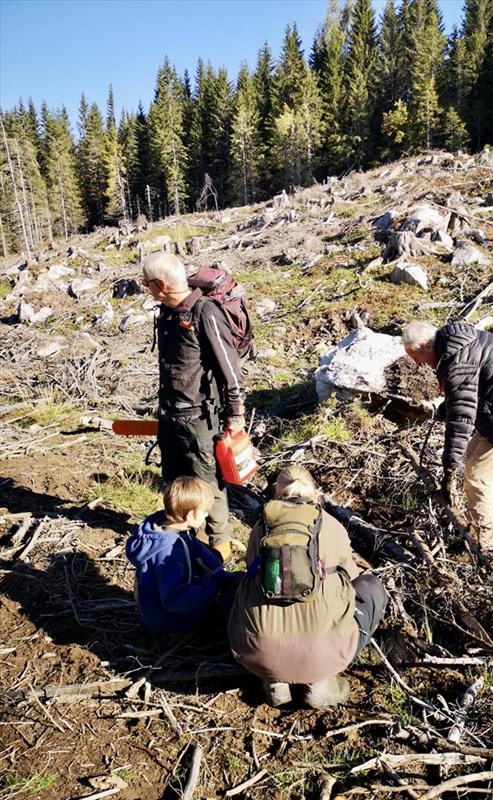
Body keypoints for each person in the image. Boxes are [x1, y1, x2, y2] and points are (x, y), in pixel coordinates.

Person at [228, 466, 388, 708]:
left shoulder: (261, 528)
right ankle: (322, 682)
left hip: (258, 651)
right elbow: (353, 578)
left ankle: (273, 682)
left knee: (240, 587)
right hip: (326, 654)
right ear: (314, 495)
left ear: (277, 493)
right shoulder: (332, 525)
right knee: (372, 586)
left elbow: (251, 570)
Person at [401, 321, 493, 553]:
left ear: (426, 346)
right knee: (477, 462)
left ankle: (481, 547)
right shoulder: (456, 343)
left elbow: (461, 419)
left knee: (477, 477)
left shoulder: (454, 362)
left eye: (416, 357)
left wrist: (449, 468)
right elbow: (469, 387)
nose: (418, 364)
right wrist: (449, 403)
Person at [142, 251, 247, 562]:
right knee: (174, 477)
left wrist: (236, 416)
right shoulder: (167, 313)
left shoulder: (205, 313)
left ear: (160, 284)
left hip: (199, 417)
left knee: (208, 483)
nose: (145, 288)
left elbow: (230, 369)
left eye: (145, 283)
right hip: (170, 413)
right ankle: (181, 537)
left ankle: (220, 546)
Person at [126, 475, 237, 635]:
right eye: (205, 512)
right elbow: (174, 599)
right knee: (224, 618)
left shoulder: (168, 528)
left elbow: (199, 550)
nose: (207, 516)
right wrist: (212, 586)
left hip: (158, 607)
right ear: (190, 516)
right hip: (169, 619)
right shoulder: (167, 552)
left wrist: (220, 573)